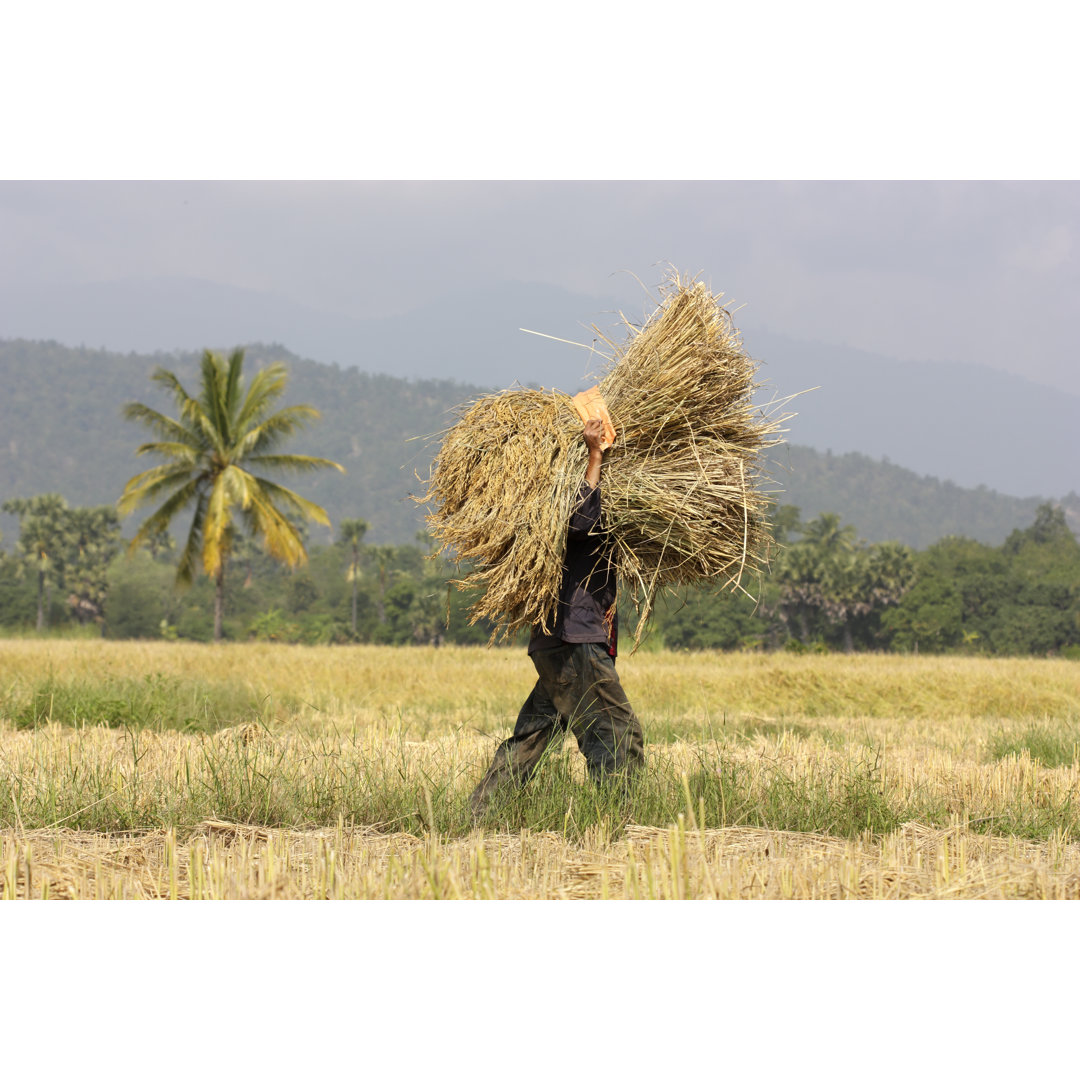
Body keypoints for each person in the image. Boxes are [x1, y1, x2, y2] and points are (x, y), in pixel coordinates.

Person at [469, 416, 645, 815]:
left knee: (534, 735)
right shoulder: (562, 505)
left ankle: (478, 816)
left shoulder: (580, 510)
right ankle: (617, 824)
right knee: (618, 733)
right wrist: (595, 453)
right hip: (575, 641)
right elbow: (581, 520)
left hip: (558, 641)